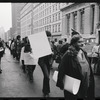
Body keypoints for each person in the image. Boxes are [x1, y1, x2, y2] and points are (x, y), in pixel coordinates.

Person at [56, 35, 95, 100]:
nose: (82, 43)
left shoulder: (83, 52)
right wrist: (60, 82)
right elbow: (61, 68)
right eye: (79, 42)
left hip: (85, 81)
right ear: (74, 43)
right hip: (74, 83)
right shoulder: (68, 54)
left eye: (83, 41)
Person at [38, 31, 53, 97]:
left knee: (47, 77)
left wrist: (52, 53)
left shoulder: (51, 44)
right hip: (42, 62)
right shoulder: (41, 43)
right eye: (47, 37)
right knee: (47, 76)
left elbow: (52, 52)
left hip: (48, 62)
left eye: (49, 37)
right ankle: (46, 91)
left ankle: (46, 90)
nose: (49, 39)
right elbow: (39, 52)